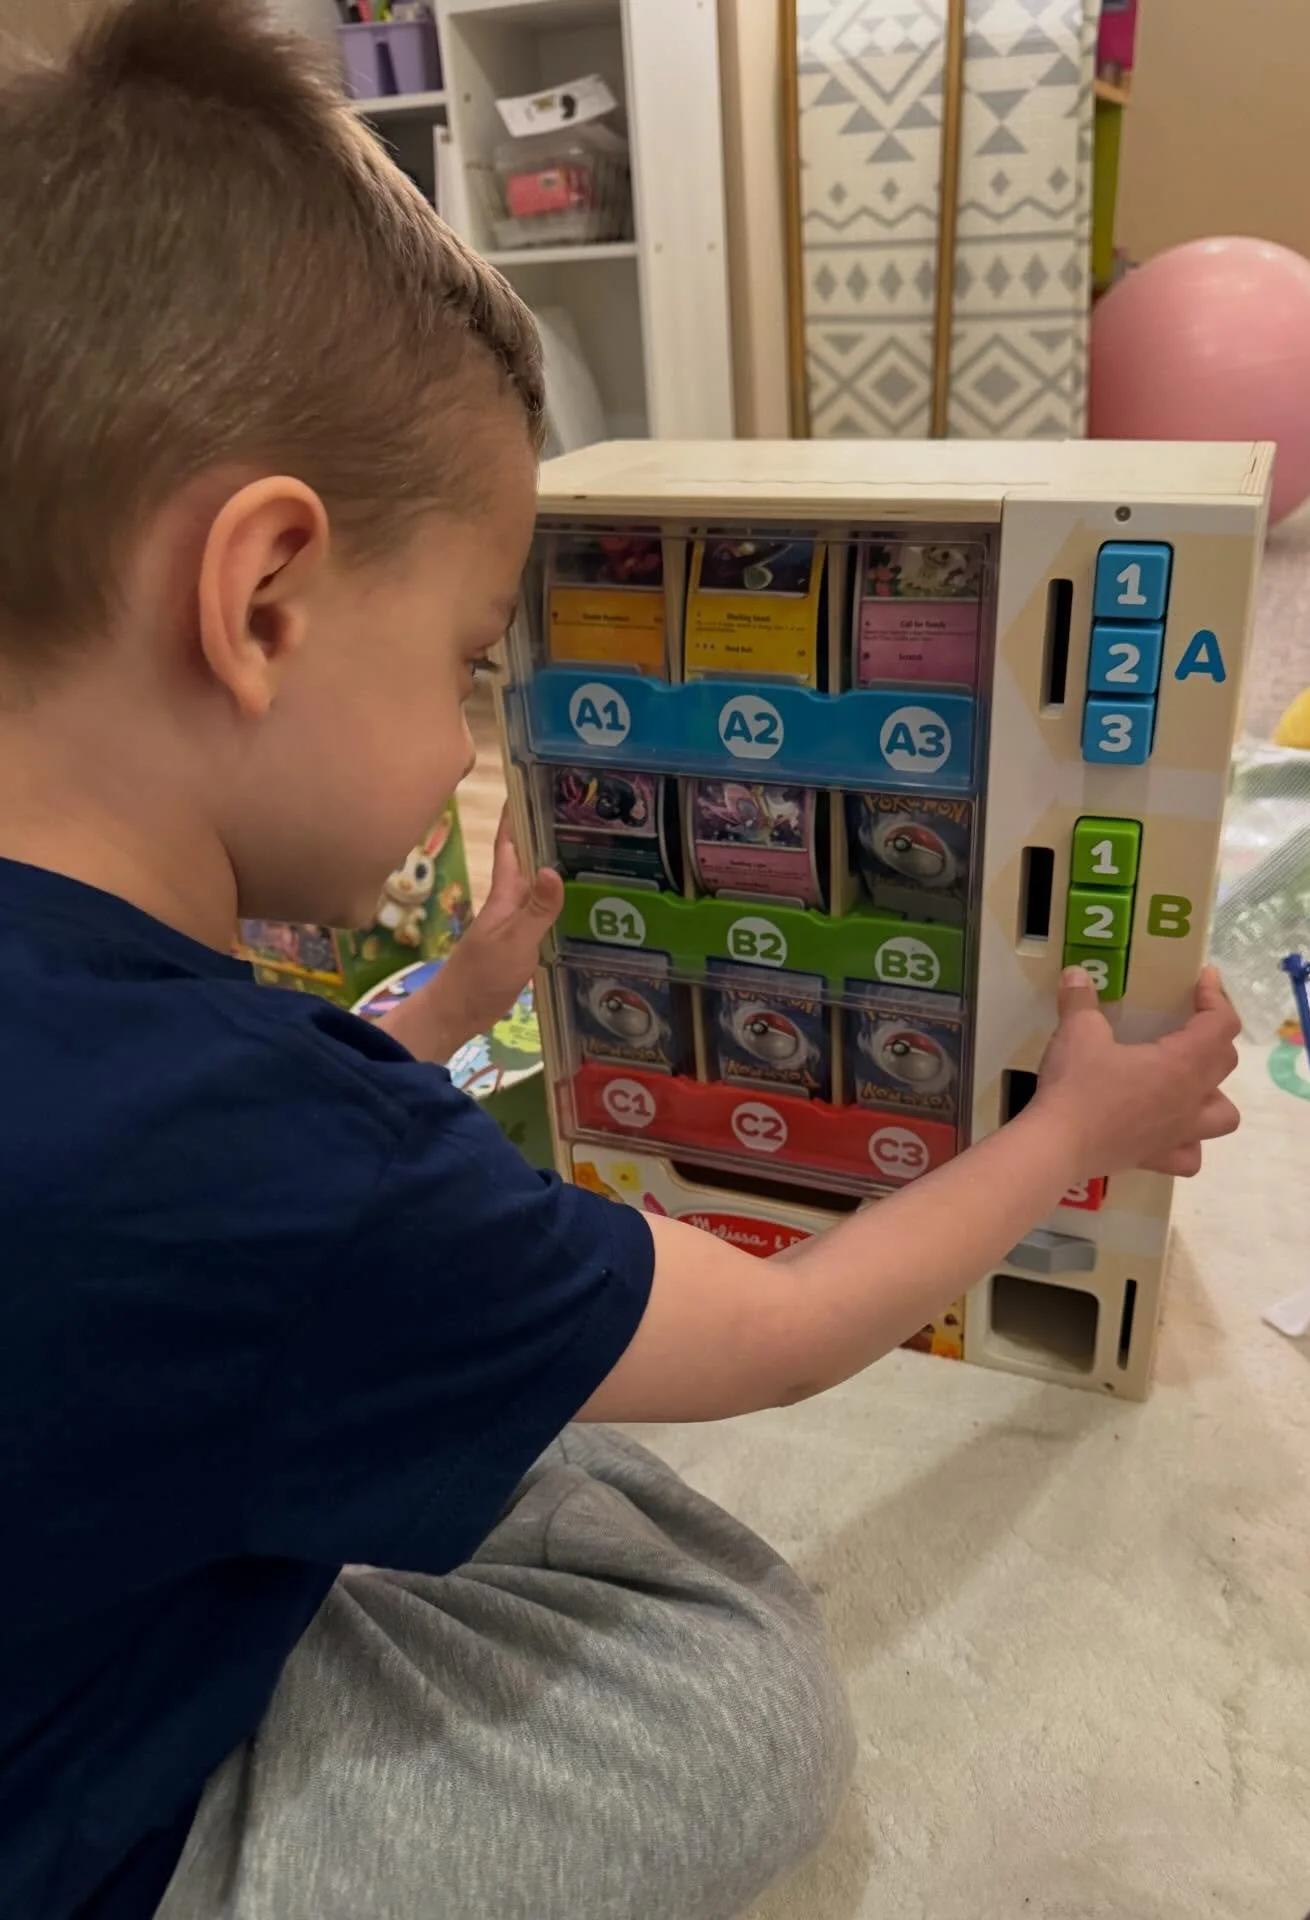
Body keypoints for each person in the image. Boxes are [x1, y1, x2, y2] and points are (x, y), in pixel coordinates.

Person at [0, 3, 1243, 1916]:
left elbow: (166, 1165)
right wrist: (1070, 1118)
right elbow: (776, 1332)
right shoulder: (279, 1170)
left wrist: (450, 1007)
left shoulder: (124, 1030)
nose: (472, 729)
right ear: (260, 599)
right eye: (469, 662)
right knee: (731, 1691)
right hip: (85, 1822)